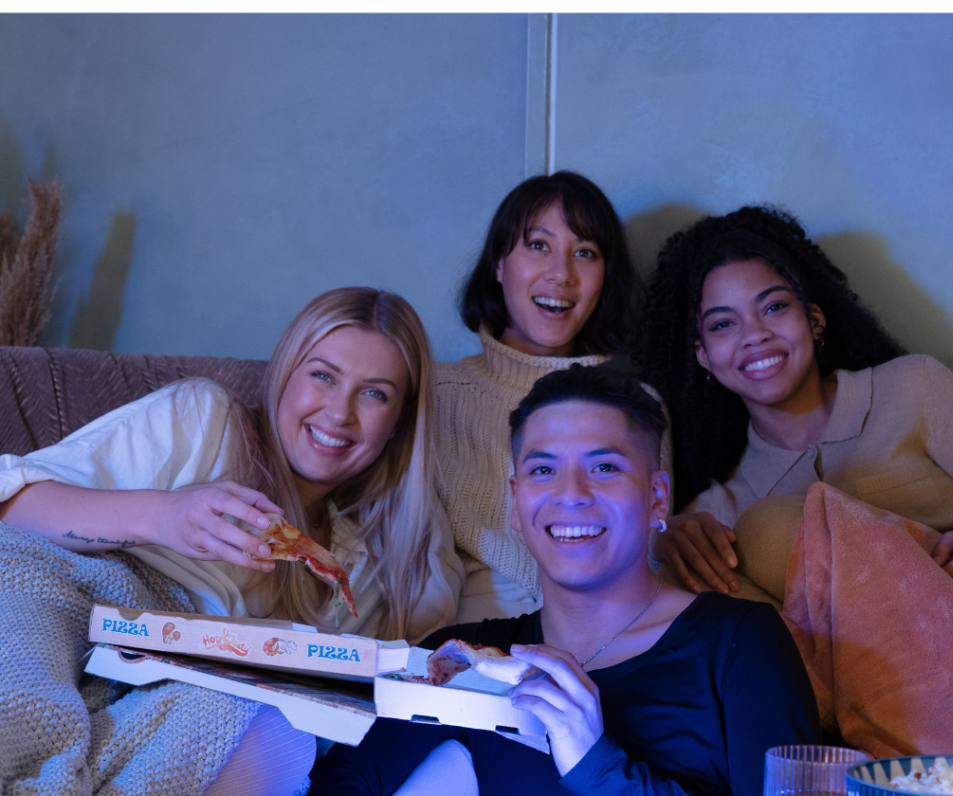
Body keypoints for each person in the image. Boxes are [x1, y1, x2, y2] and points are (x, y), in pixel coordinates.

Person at [0, 287, 462, 796]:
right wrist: (159, 515)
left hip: (166, 688)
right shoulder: (206, 419)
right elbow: (9, 502)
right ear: (285, 373)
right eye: (323, 376)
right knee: (29, 707)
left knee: (283, 735)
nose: (339, 413)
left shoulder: (366, 565)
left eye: (375, 394)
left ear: (399, 424)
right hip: (69, 593)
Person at [309, 365, 820, 796]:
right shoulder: (462, 659)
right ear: (516, 502)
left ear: (658, 498)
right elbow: (341, 781)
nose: (571, 494)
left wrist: (595, 762)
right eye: (543, 471)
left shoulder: (740, 642)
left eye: (605, 467)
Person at [635, 204, 953, 605]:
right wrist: (656, 541)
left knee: (768, 527)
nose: (754, 335)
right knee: (700, 567)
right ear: (703, 356)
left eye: (774, 307)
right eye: (723, 324)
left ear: (815, 320)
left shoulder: (914, 388)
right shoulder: (720, 511)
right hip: (863, 647)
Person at [436, 171, 651, 622]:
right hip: (463, 639)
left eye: (585, 253)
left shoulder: (636, 407)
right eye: (538, 245)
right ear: (498, 264)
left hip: (604, 638)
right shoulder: (432, 397)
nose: (561, 274)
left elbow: (648, 562)